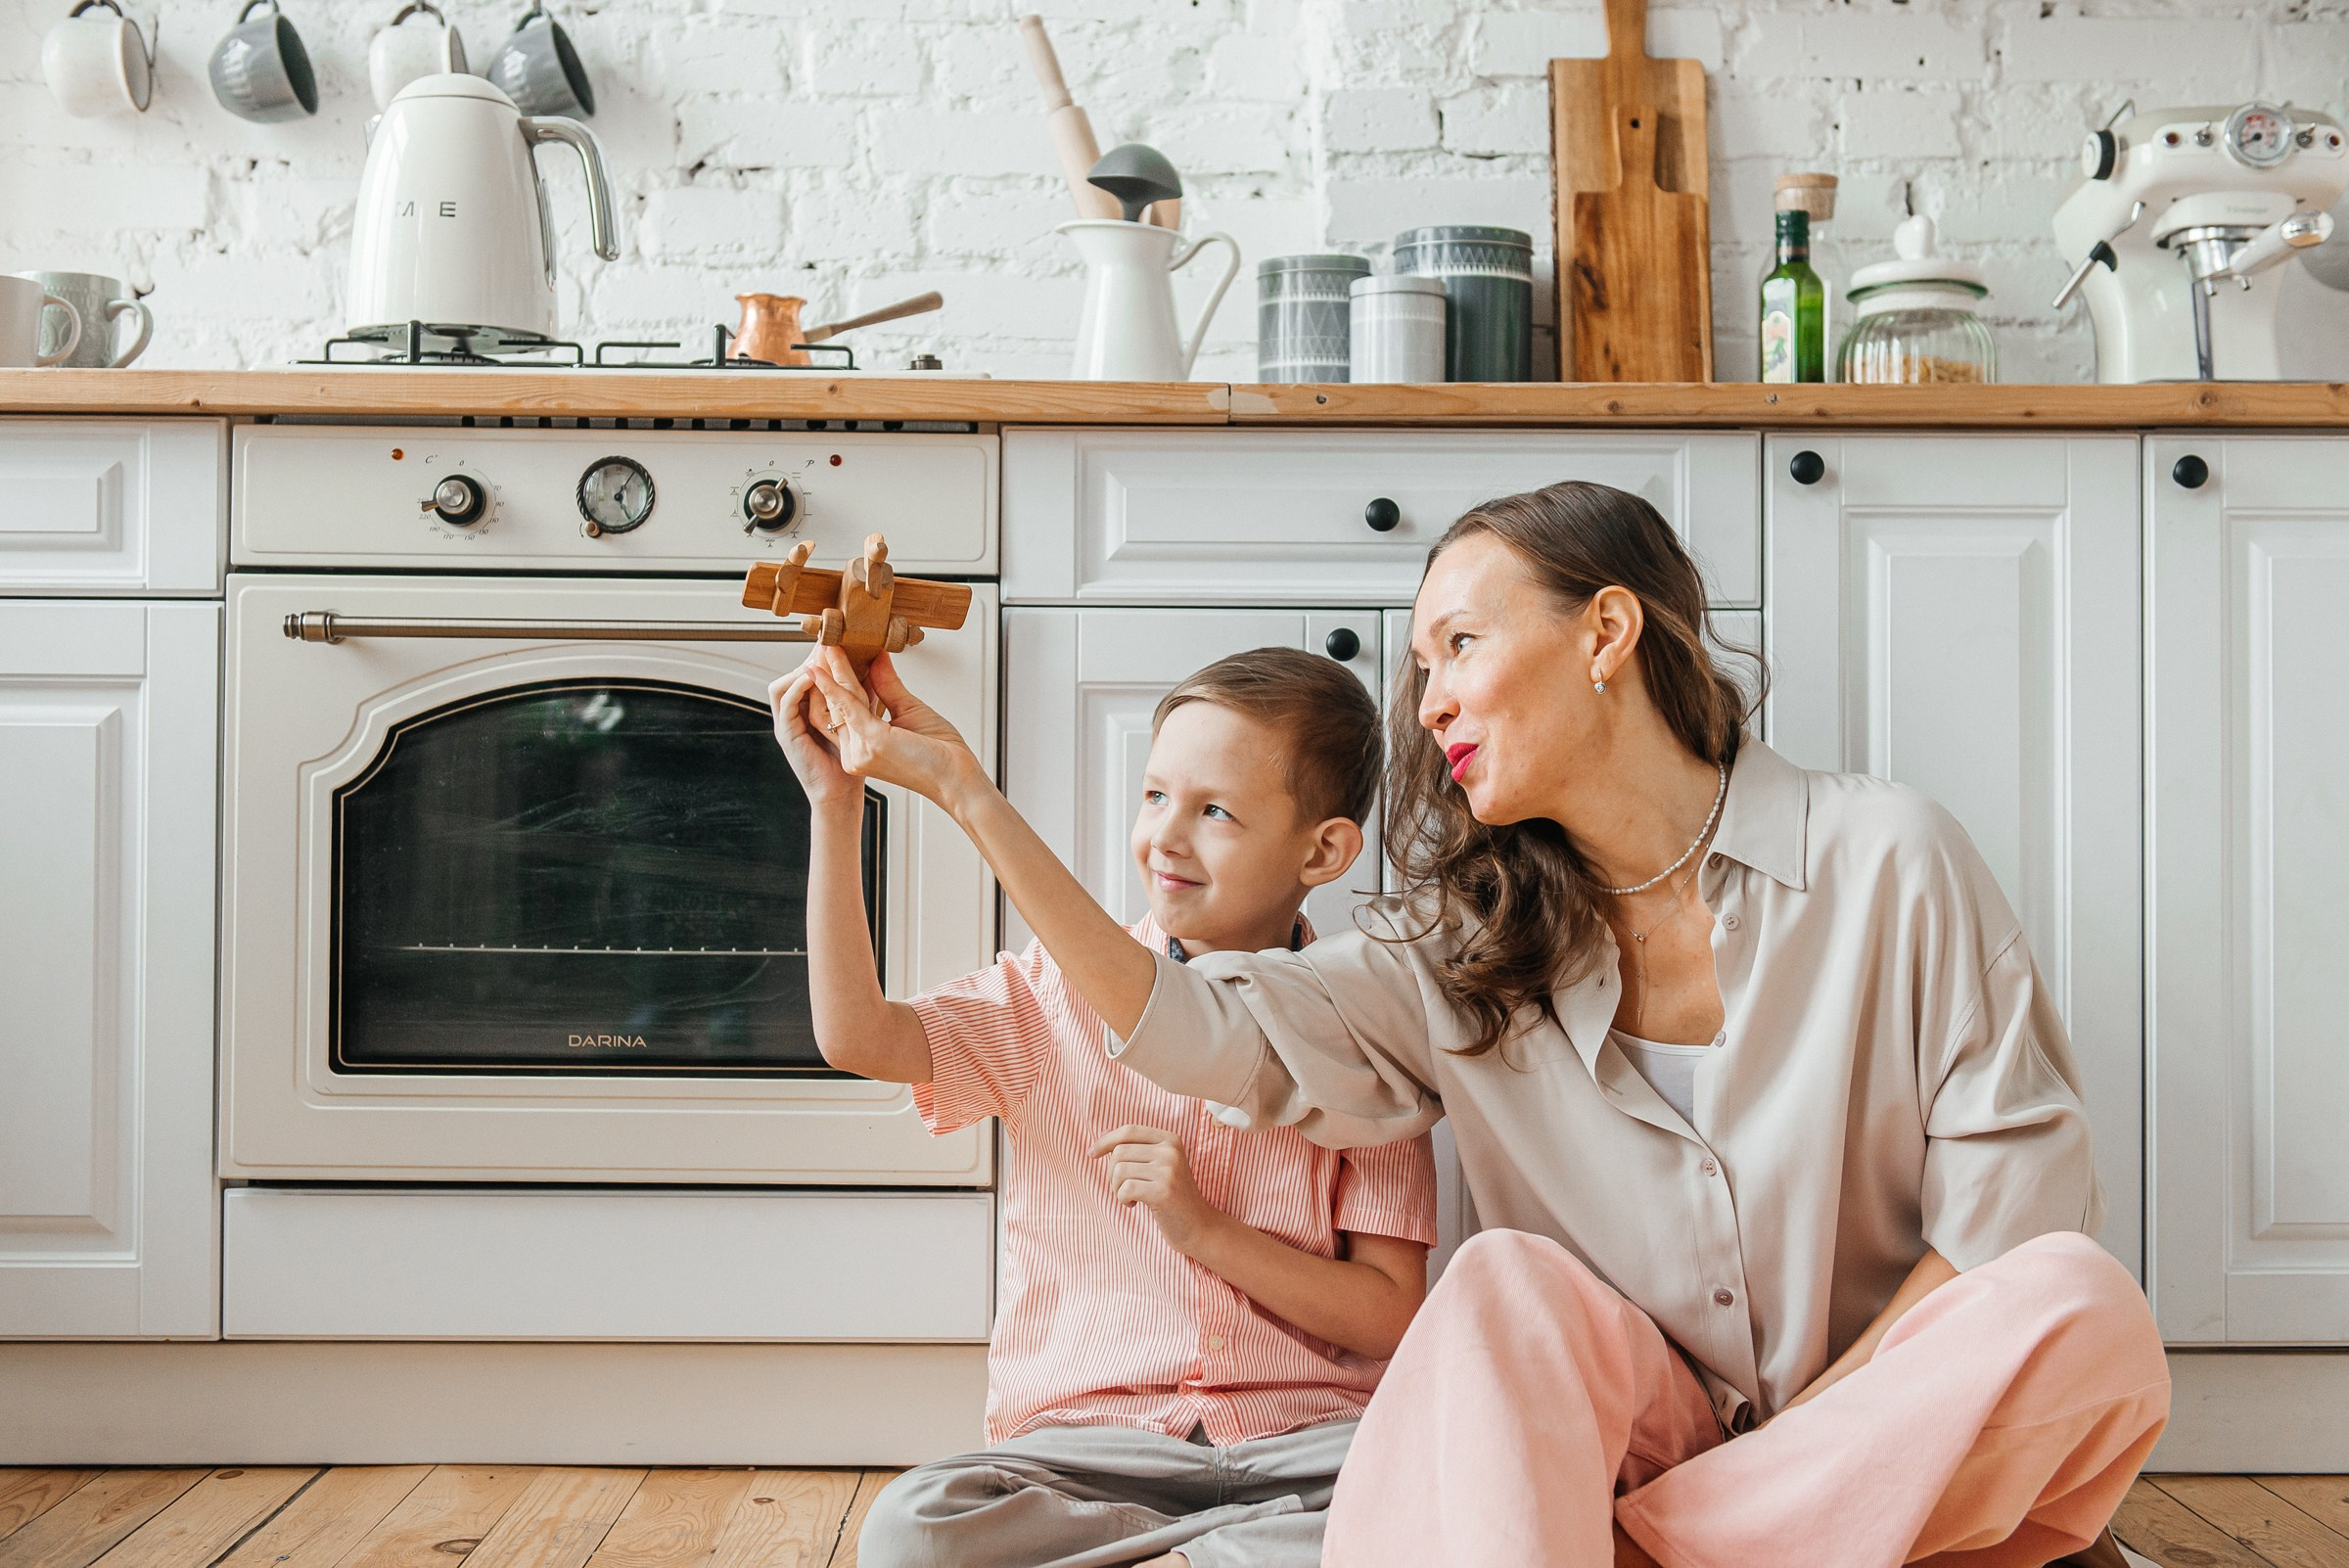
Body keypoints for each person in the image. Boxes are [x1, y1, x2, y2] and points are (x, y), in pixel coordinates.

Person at [799, 480, 2171, 1568]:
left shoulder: (1890, 857)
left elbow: (2005, 1227)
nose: (1431, 695)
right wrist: (968, 798)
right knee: (1501, 1282)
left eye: (1461, 641)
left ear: (1606, 631)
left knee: (2079, 1302)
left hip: (1872, 1435)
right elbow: (1187, 1026)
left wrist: (1805, 1459)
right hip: (1643, 1437)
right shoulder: (1454, 951)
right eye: (1420, 665)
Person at [771, 645, 1438, 1568]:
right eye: (1157, 795)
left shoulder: (1365, 1025)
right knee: (914, 1525)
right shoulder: (1044, 998)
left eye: (1216, 812)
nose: (1166, 836)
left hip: (1310, 1446)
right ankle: (1207, 1554)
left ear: (1322, 850)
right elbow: (857, 1036)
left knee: (1447, 1490)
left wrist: (1204, 1230)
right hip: (1088, 1450)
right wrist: (836, 806)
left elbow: (1387, 1317)